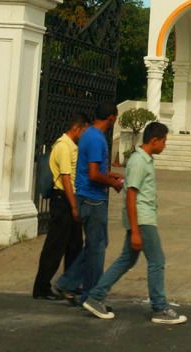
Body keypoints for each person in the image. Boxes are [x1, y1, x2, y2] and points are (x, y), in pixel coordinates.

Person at [81, 121, 187, 325]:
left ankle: (95, 297)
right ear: (154, 140)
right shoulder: (139, 162)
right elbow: (131, 196)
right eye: (163, 142)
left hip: (140, 219)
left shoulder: (144, 160)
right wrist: (136, 230)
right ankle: (160, 307)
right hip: (142, 219)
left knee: (126, 260)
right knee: (157, 261)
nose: (165, 146)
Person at [51, 102, 124, 305]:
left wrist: (110, 174)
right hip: (93, 200)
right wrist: (113, 184)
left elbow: (91, 169)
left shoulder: (89, 135)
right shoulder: (96, 139)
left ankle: (76, 288)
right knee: (97, 248)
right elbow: (93, 175)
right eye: (115, 118)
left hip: (88, 197)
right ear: (111, 118)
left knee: (95, 246)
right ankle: (88, 295)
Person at [33, 112, 88, 300]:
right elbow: (65, 177)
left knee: (74, 245)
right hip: (63, 200)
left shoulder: (72, 145)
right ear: (76, 128)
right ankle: (41, 287)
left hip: (70, 198)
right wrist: (73, 206)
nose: (84, 135)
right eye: (84, 130)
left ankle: (69, 285)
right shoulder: (64, 146)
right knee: (55, 246)